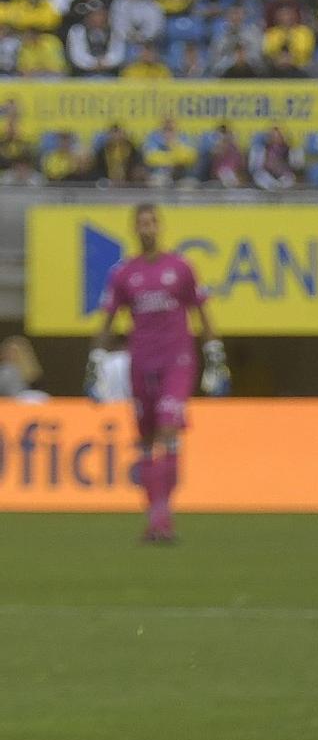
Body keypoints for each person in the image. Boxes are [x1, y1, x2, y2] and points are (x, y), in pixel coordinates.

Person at [93, 205, 221, 544]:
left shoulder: (179, 268)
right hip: (141, 362)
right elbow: (108, 320)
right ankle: (154, 516)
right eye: (141, 223)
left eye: (152, 222)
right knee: (147, 441)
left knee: (168, 428)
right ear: (134, 228)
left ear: (159, 227)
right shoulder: (123, 274)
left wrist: (213, 353)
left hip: (176, 360)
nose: (147, 228)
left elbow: (201, 311)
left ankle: (163, 516)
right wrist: (95, 358)